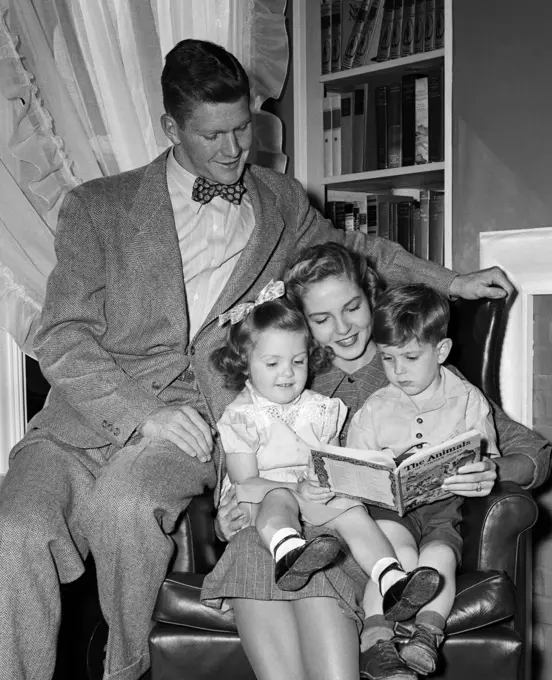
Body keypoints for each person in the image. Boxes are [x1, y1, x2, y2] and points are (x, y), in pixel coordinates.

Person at [0, 35, 528, 680]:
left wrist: (450, 280)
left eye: (242, 130)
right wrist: (141, 414)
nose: (233, 152)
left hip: (194, 419)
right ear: (171, 128)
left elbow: (353, 254)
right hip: (87, 414)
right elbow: (60, 334)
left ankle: (124, 668)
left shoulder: (277, 200)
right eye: (212, 136)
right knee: (13, 533)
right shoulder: (97, 206)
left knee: (127, 507)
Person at [213, 242, 551, 680]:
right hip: (286, 525)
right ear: (302, 324)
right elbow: (241, 467)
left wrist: (491, 470)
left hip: (366, 541)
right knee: (251, 550)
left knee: (321, 560)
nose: (343, 328)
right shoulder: (288, 375)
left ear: (371, 297)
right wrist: (227, 512)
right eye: (320, 319)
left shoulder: (418, 366)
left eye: (352, 307)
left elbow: (535, 452)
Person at [204, 281, 441, 620]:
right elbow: (246, 486)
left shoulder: (320, 409)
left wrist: (337, 483)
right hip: (264, 506)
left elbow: (326, 464)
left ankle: (392, 580)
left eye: (297, 362)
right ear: (245, 363)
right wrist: (296, 488)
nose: (287, 373)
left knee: (351, 510)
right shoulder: (243, 417)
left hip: (311, 500)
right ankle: (289, 553)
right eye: (273, 364)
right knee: (279, 499)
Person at [346, 283, 502, 677]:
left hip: (442, 505)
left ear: (442, 351)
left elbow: (489, 461)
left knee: (439, 560)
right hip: (388, 508)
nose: (398, 370)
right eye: (387, 358)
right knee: (397, 559)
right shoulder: (375, 408)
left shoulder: (468, 400)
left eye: (411, 357)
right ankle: (377, 642)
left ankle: (427, 636)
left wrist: (484, 472)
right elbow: (355, 470)